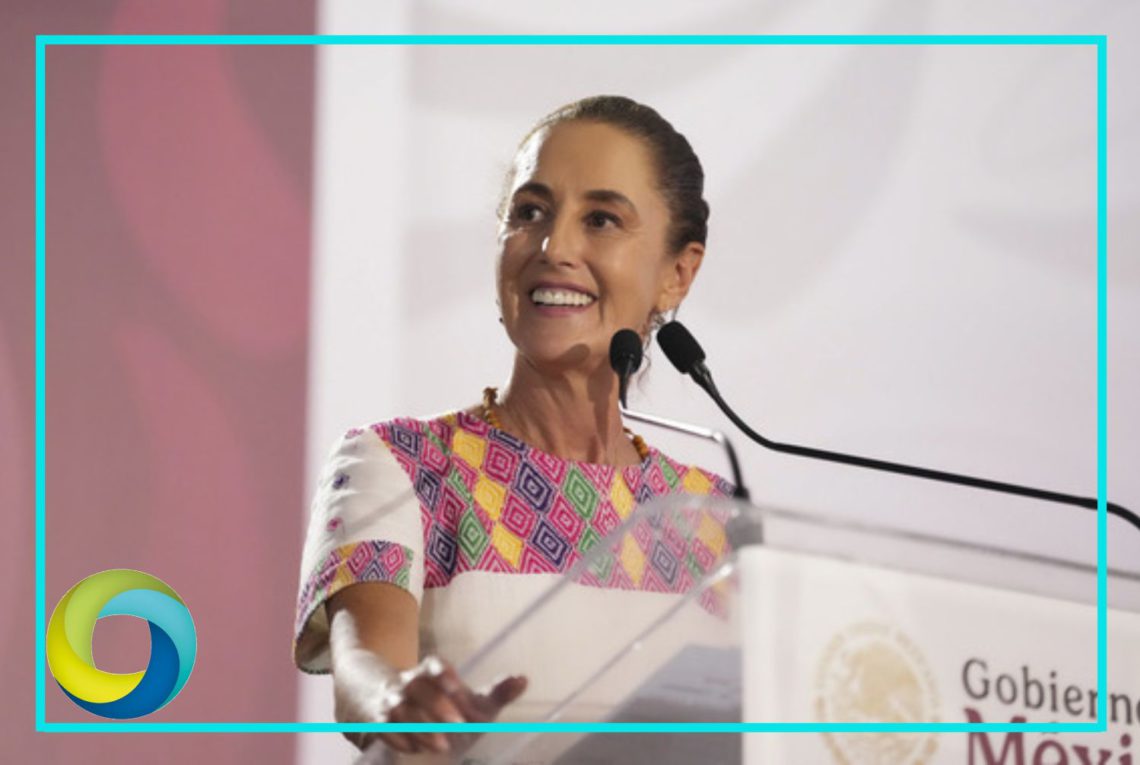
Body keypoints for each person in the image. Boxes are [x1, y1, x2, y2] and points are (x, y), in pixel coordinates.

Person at [292, 95, 735, 761]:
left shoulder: (715, 518)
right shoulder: (402, 462)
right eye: (529, 212)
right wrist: (396, 698)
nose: (554, 248)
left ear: (678, 273)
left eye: (602, 220)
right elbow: (364, 671)